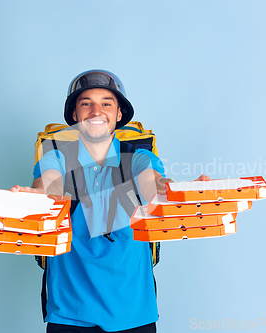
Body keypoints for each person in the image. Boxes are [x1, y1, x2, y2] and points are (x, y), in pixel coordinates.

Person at [11, 70, 209, 333]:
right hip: (70, 315)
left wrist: (180, 192)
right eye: (86, 103)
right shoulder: (56, 156)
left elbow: (154, 183)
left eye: (106, 103)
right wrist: (35, 196)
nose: (96, 111)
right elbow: (49, 183)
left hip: (134, 314)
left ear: (118, 115)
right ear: (74, 115)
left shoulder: (137, 156)